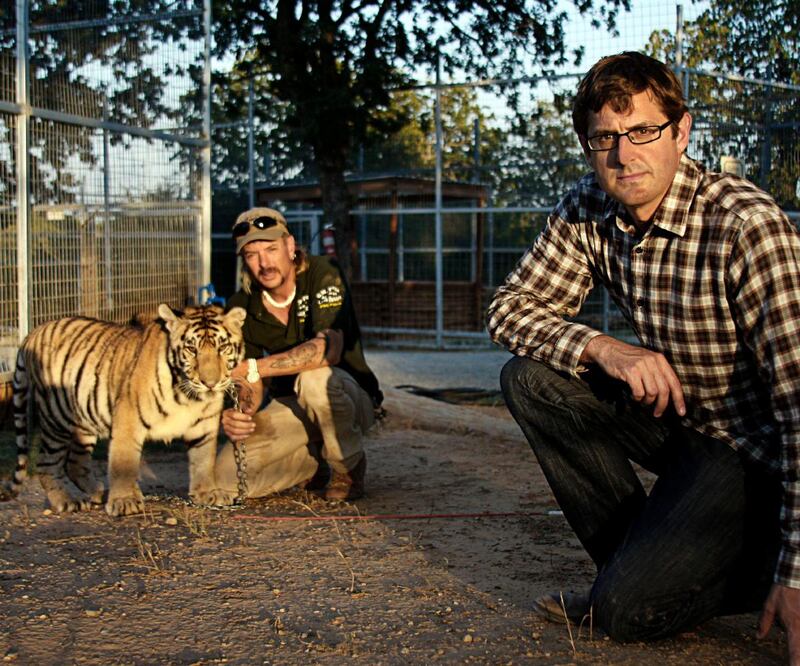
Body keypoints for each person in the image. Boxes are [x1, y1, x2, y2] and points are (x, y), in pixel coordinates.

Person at [487, 51, 800, 656]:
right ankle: (629, 577)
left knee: (629, 614)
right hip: (682, 421)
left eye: (642, 132)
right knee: (531, 379)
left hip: (753, 452)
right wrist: (605, 349)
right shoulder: (587, 209)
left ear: (681, 132)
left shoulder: (746, 227)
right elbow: (507, 309)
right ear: (587, 145)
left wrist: (797, 570)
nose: (624, 155)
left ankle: (679, 583)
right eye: (604, 138)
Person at [216, 206, 383, 501]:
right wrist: (240, 412)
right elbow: (250, 384)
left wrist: (255, 368)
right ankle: (314, 461)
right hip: (292, 405)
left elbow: (326, 351)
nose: (264, 263)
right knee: (224, 480)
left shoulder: (323, 271)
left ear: (290, 246)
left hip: (346, 395)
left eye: (271, 249)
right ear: (243, 260)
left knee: (314, 379)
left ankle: (348, 466)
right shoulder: (241, 304)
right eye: (252, 255)